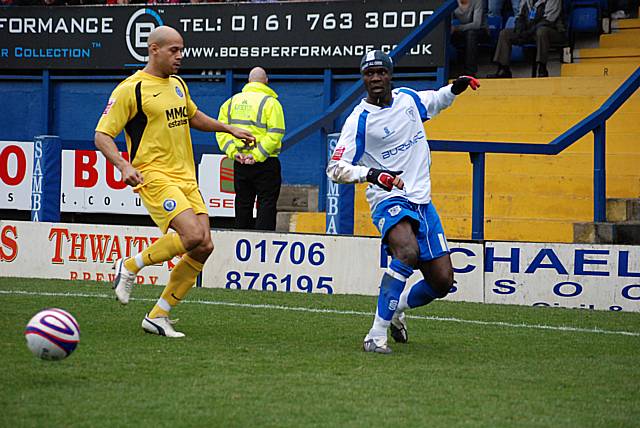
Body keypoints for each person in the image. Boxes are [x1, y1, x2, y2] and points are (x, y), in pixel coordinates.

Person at [94, 26, 255, 338]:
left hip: (186, 177)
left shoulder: (178, 84)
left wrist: (228, 128)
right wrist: (123, 165)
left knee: (204, 245)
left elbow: (192, 116)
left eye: (182, 50)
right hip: (153, 174)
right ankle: (130, 265)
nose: (180, 56)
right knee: (192, 234)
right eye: (174, 50)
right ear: (154, 50)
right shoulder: (131, 89)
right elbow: (102, 135)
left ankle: (158, 315)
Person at [327, 50, 480, 354]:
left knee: (442, 282)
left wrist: (455, 89)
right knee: (407, 253)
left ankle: (398, 308)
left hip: (422, 200)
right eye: (369, 74)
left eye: (380, 72)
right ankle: (376, 334)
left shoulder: (408, 99)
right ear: (363, 78)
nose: (375, 79)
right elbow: (335, 169)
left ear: (390, 74)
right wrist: (373, 175)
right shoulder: (360, 120)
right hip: (388, 198)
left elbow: (434, 101)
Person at [216, 67, 285, 231]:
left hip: (240, 163)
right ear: (266, 81)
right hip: (266, 162)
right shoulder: (271, 103)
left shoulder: (231, 102)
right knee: (266, 204)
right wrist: (257, 155)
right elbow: (276, 134)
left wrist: (234, 153)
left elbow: (221, 131)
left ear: (248, 82)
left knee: (242, 204)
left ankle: (241, 242)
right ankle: (263, 243)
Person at [488, 0, 565, 78]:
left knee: (542, 32)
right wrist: (519, 28)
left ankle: (542, 67)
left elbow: (549, 20)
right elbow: (520, 15)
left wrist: (529, 32)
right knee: (505, 34)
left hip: (552, 31)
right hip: (530, 31)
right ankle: (503, 69)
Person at [452, 0, 490, 77]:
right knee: (447, 33)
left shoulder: (477, 2)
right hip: (463, 30)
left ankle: (470, 72)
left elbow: (476, 24)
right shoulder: (453, 3)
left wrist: (456, 28)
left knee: (471, 34)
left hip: (480, 31)